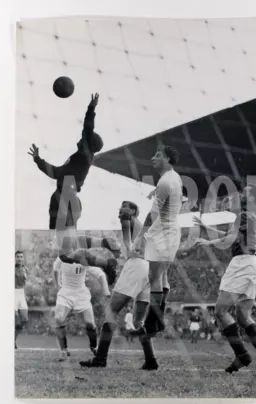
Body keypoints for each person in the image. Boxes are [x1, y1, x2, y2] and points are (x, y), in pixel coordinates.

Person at [194, 185, 256, 378]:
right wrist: (206, 229)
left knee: (220, 311)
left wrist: (208, 242)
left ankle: (242, 355)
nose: (240, 193)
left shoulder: (243, 215)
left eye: (245, 192)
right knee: (243, 317)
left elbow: (228, 241)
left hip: (242, 264)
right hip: (251, 264)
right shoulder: (247, 217)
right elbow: (231, 236)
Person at [81, 200, 162, 369]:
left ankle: (100, 358)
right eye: (121, 206)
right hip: (150, 269)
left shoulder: (128, 218)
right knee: (138, 322)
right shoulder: (141, 226)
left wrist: (128, 247)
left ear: (132, 211)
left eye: (125, 206)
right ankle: (151, 360)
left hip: (136, 266)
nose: (121, 209)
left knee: (112, 311)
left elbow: (126, 235)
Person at [28, 93, 102, 252]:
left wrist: (91, 108)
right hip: (59, 197)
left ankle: (79, 256)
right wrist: (38, 160)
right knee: (57, 241)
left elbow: (87, 129)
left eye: (87, 139)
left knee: (67, 243)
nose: (82, 138)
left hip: (68, 200)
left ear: (89, 143)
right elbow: (55, 172)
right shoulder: (75, 159)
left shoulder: (86, 156)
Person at [129, 146, 182, 337]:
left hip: (162, 234)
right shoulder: (174, 177)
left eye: (158, 155)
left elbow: (153, 215)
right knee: (162, 276)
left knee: (154, 277)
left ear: (167, 159)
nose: (153, 158)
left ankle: (152, 323)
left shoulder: (165, 181)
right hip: (172, 232)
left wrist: (140, 237)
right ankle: (157, 322)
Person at [52, 246, 117, 361]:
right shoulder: (62, 258)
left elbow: (100, 274)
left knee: (90, 323)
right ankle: (64, 351)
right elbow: (55, 268)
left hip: (81, 293)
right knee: (58, 318)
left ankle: (94, 347)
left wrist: (105, 290)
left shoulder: (84, 259)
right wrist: (58, 285)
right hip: (66, 292)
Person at [14, 251, 29, 349]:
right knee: (14, 319)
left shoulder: (25, 269)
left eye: (21, 257)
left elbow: (26, 283)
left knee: (24, 319)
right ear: (14, 258)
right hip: (13, 294)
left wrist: (25, 294)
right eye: (18, 257)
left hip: (21, 294)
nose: (19, 258)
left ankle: (13, 340)